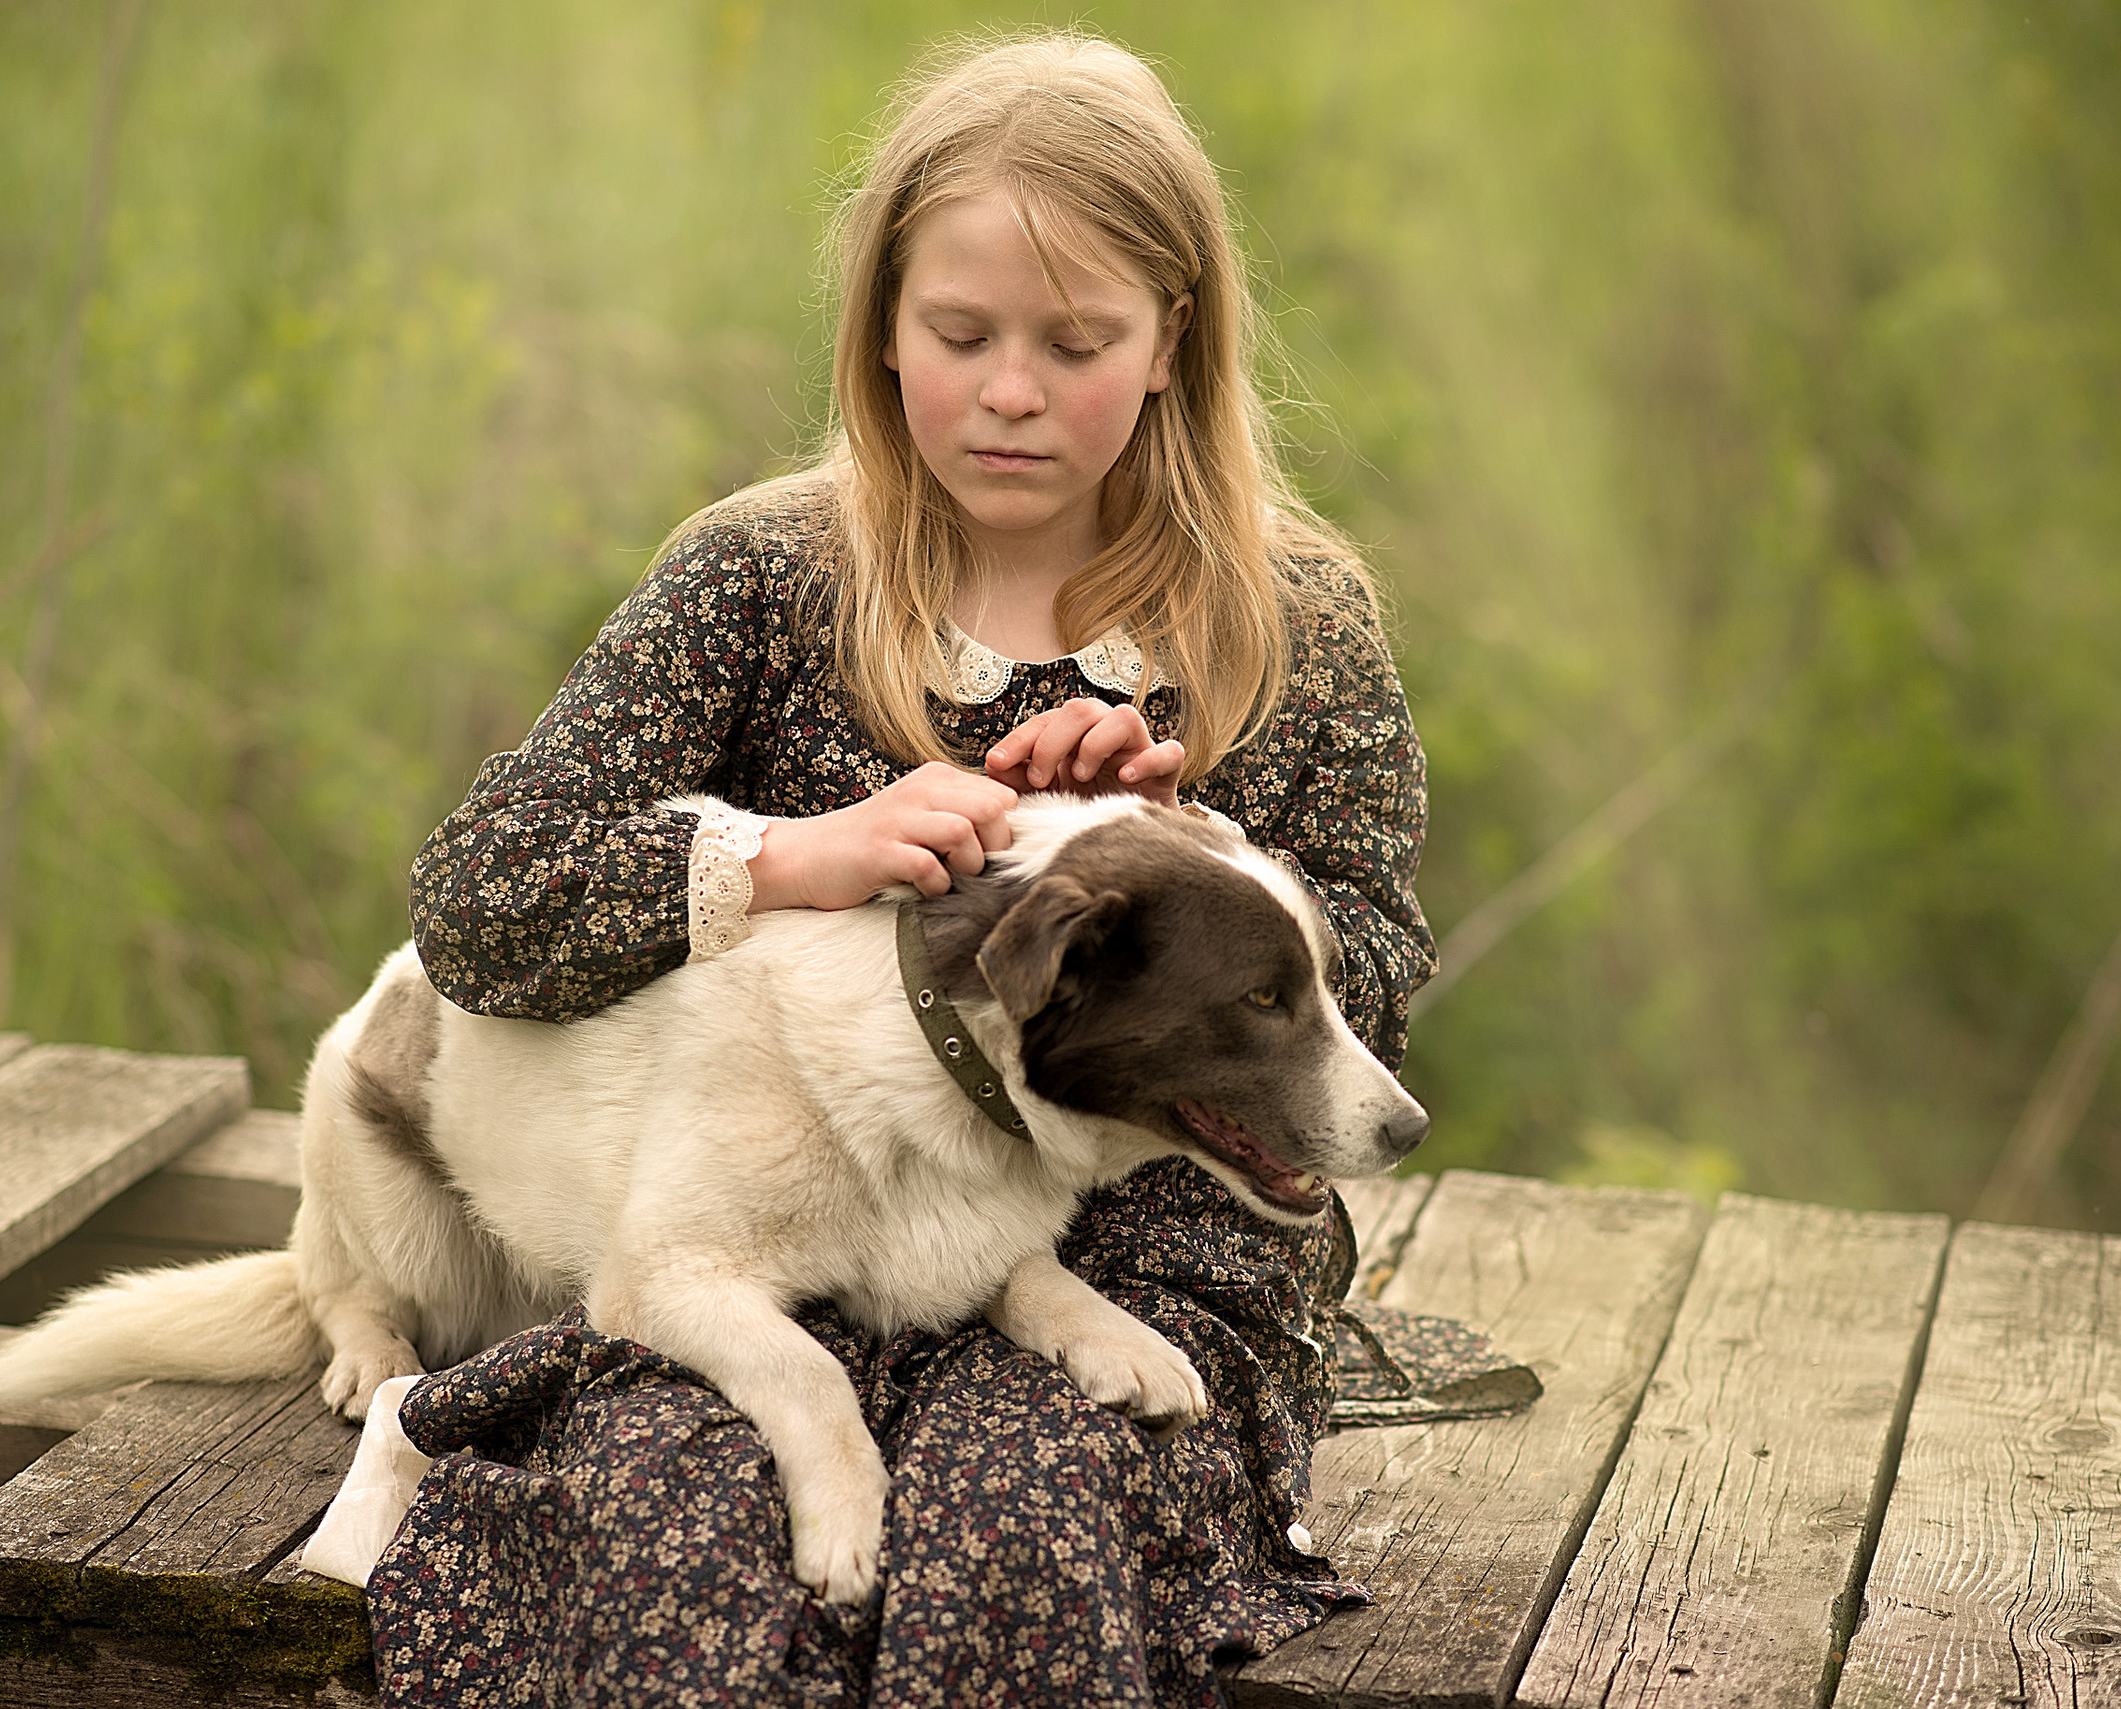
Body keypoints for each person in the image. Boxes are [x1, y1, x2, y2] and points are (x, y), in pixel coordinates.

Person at [369, 29, 1434, 1707]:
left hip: (1139, 1254)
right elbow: (481, 904)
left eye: (1076, 343)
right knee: (675, 1529)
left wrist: (1197, 853)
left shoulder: (1290, 624)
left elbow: (1373, 972)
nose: (1011, 390)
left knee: (1018, 1516)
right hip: (777, 1241)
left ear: (1173, 339)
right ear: (881, 326)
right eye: (961, 334)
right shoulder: (758, 579)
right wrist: (790, 855)